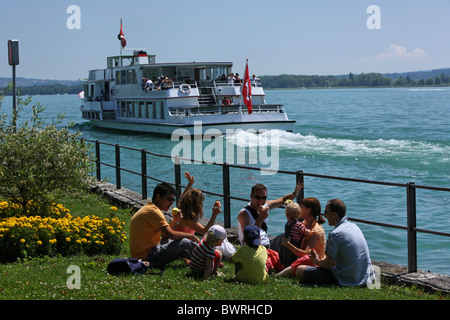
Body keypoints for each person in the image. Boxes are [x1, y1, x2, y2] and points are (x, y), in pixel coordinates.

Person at [294, 199, 374, 286]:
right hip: (365, 276)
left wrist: (317, 261)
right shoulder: (354, 226)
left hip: (347, 278)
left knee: (300, 270)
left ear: (333, 214)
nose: (324, 215)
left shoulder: (335, 234)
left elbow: (328, 265)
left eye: (326, 212)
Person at [129, 182, 199, 269]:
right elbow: (172, 235)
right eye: (169, 199)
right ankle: (210, 256)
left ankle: (204, 256)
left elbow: (165, 235)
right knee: (184, 243)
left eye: (173, 200)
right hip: (147, 258)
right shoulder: (154, 212)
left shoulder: (150, 208)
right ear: (158, 197)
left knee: (173, 240)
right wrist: (191, 236)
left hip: (143, 254)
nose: (171, 203)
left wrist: (175, 221)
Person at [237, 182, 304, 248]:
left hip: (267, 243)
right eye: (258, 197)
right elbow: (248, 237)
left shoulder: (266, 205)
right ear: (251, 196)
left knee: (289, 235)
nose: (261, 201)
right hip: (253, 247)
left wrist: (295, 194)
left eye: (264, 198)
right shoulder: (244, 214)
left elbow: (283, 200)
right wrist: (261, 218)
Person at [275, 197, 326, 276]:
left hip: (313, 261)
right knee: (273, 254)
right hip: (297, 256)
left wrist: (288, 244)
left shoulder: (316, 231)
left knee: (305, 259)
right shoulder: (304, 223)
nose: (299, 209)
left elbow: (305, 254)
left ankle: (279, 275)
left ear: (309, 210)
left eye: (301, 207)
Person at [280, 201, 312, 267]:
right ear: (299, 214)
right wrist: (310, 231)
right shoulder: (299, 225)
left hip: (286, 245)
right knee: (293, 258)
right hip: (295, 245)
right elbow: (305, 232)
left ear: (286, 215)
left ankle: (285, 266)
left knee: (287, 258)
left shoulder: (288, 223)